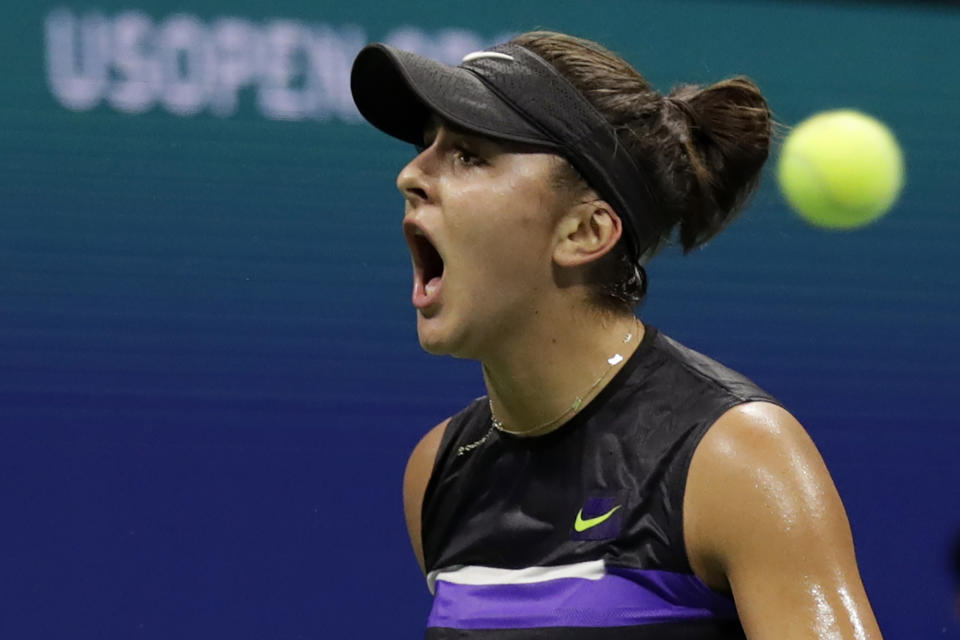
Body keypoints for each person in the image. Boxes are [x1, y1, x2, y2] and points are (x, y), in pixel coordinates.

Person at [350, 30, 882, 639]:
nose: (411, 174)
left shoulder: (733, 458)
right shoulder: (439, 471)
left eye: (469, 154)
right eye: (426, 145)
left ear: (583, 232)